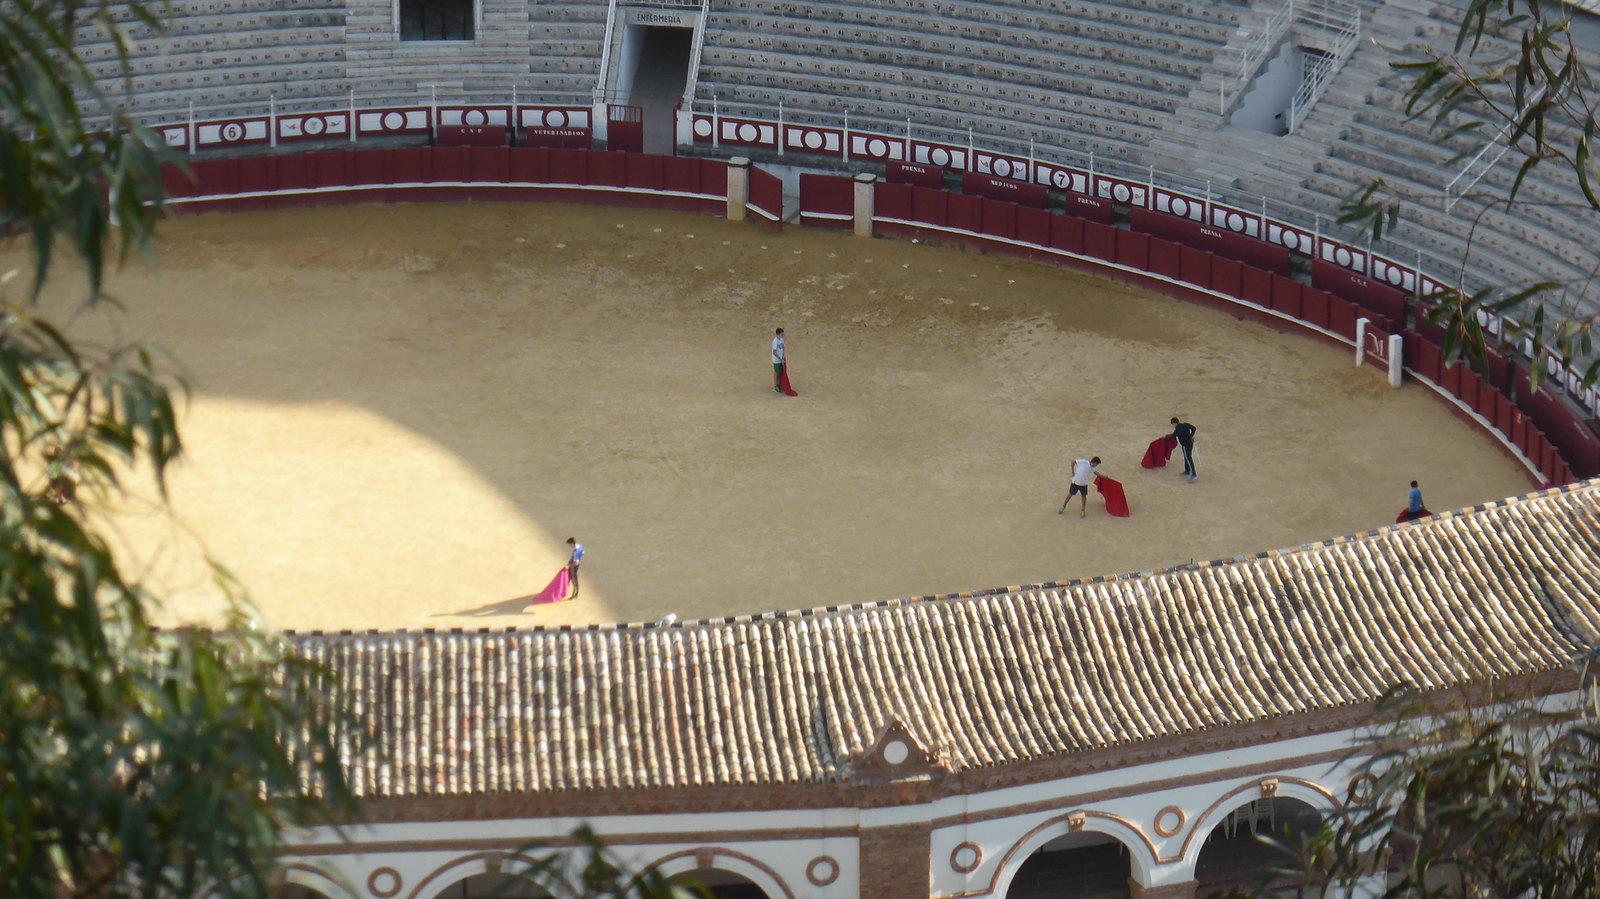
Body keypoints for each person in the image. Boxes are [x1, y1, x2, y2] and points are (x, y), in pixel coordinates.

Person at [1170, 417, 1197, 482]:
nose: (1173, 426)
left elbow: (1173, 436)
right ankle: (1187, 470)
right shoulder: (1185, 424)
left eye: (1173, 424)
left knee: (1188, 458)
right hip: (1190, 443)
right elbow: (1194, 428)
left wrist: (1165, 437)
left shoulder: (1177, 429)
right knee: (1186, 457)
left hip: (1185, 445)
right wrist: (1191, 435)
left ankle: (1194, 474)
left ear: (1174, 423)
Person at [772, 328, 786, 394]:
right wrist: (781, 359)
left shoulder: (781, 339)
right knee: (776, 373)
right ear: (777, 334)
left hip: (781, 359)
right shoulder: (775, 341)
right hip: (776, 360)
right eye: (781, 334)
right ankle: (775, 386)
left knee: (780, 373)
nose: (783, 335)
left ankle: (779, 384)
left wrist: (783, 356)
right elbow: (774, 352)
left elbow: (783, 348)